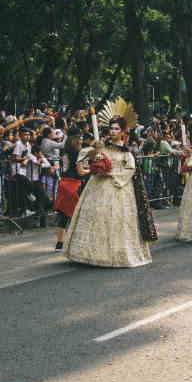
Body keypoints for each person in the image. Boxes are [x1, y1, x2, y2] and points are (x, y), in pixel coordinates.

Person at [63, 103, 156, 267]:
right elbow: (83, 155)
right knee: (95, 215)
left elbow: (131, 169)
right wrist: (93, 160)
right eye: (111, 128)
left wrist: (112, 174)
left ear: (122, 131)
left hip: (119, 187)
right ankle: (87, 253)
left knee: (115, 219)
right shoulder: (101, 146)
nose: (112, 131)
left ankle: (113, 254)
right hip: (98, 186)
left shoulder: (127, 151)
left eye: (115, 129)